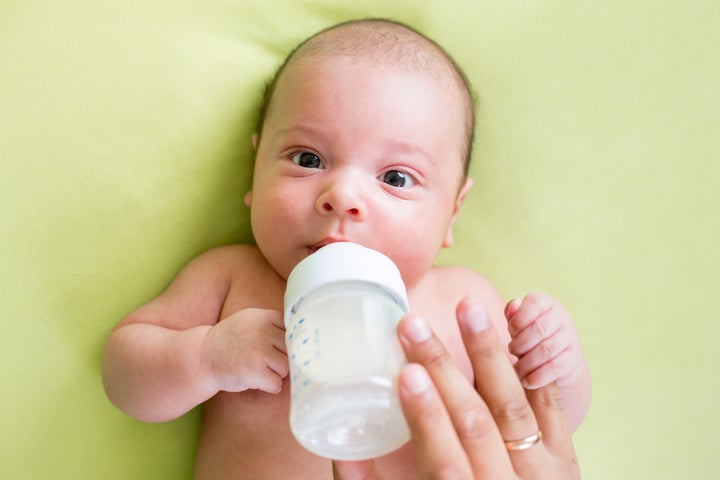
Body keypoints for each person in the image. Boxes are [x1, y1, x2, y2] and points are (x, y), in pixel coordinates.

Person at [102, 18, 591, 479]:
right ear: (255, 172)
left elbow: (539, 428)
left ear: (453, 212)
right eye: (308, 159)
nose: (343, 196)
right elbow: (124, 377)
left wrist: (554, 365)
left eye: (396, 178)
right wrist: (207, 357)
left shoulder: (463, 305)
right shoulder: (232, 279)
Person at [333, 298, 580, 479]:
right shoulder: (294, 331)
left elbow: (542, 427)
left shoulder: (457, 294)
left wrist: (551, 363)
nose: (341, 222)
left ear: (448, 227)